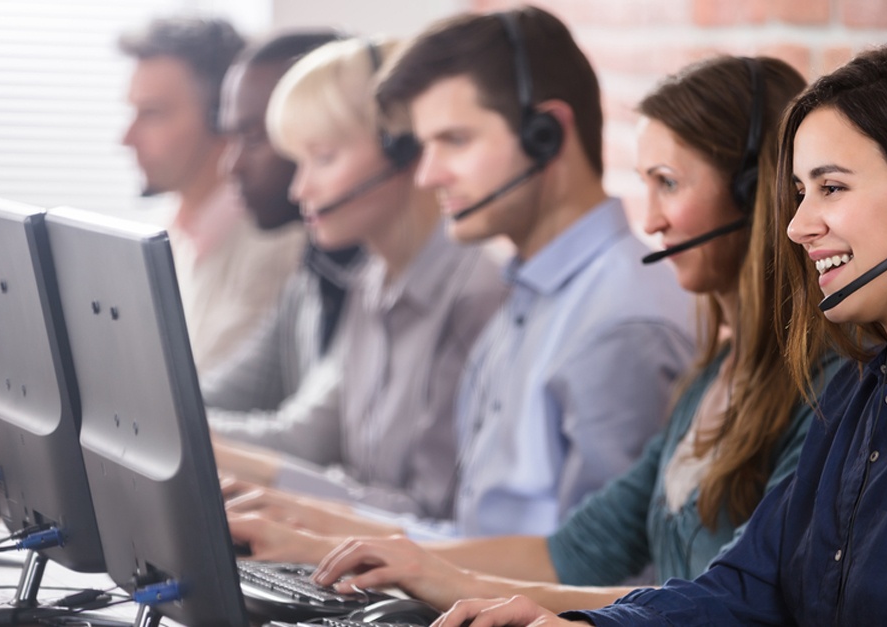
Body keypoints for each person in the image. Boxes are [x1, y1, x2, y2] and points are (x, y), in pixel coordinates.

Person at [431, 39, 887, 627]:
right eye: (798, 191)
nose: (795, 225)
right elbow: (747, 586)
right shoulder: (856, 392)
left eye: (831, 188)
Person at [234, 56, 845, 615]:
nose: (652, 218)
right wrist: (397, 560)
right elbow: (573, 552)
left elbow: (728, 602)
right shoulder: (716, 375)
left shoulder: (825, 389)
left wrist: (448, 579)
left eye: (668, 182)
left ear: (752, 193)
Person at [227, 5, 695, 544]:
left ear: (547, 134)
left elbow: (601, 583)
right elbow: (469, 538)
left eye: (455, 140)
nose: (427, 174)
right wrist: (307, 524)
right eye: (426, 146)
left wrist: (319, 534)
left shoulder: (620, 322)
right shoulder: (529, 300)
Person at [210, 38, 508, 521]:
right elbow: (319, 442)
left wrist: (274, 493)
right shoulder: (371, 282)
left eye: (322, 158)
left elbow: (436, 517)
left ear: (403, 150)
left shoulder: (477, 294)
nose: (299, 188)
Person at [120, 16, 306, 374]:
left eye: (152, 114)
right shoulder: (170, 233)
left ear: (223, 117)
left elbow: (193, 394)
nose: (127, 137)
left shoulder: (278, 252)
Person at [200, 31, 366, 431]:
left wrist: (156, 429)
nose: (232, 166)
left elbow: (309, 439)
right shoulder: (314, 268)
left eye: (254, 138)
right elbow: (234, 389)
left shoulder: (379, 279)